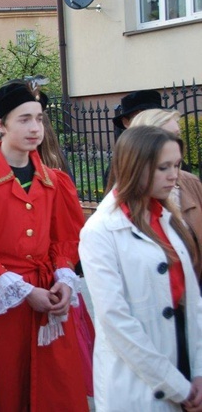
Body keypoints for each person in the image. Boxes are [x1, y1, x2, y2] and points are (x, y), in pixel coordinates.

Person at [0, 81, 88, 411]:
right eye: (24, 119)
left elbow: (66, 238)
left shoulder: (55, 181)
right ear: (0, 125)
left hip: (49, 294)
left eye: (39, 119)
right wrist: (23, 291)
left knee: (54, 387)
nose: (35, 128)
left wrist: (64, 280)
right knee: (4, 385)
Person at [79, 126, 202, 411]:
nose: (174, 175)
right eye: (163, 167)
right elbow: (115, 320)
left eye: (177, 165)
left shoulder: (169, 217)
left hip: (182, 353)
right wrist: (176, 385)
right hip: (139, 379)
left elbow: (192, 301)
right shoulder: (100, 230)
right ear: (135, 167)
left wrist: (197, 371)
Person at [131, 108, 202, 284]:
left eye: (177, 136)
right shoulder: (126, 200)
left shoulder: (190, 183)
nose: (175, 144)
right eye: (167, 137)